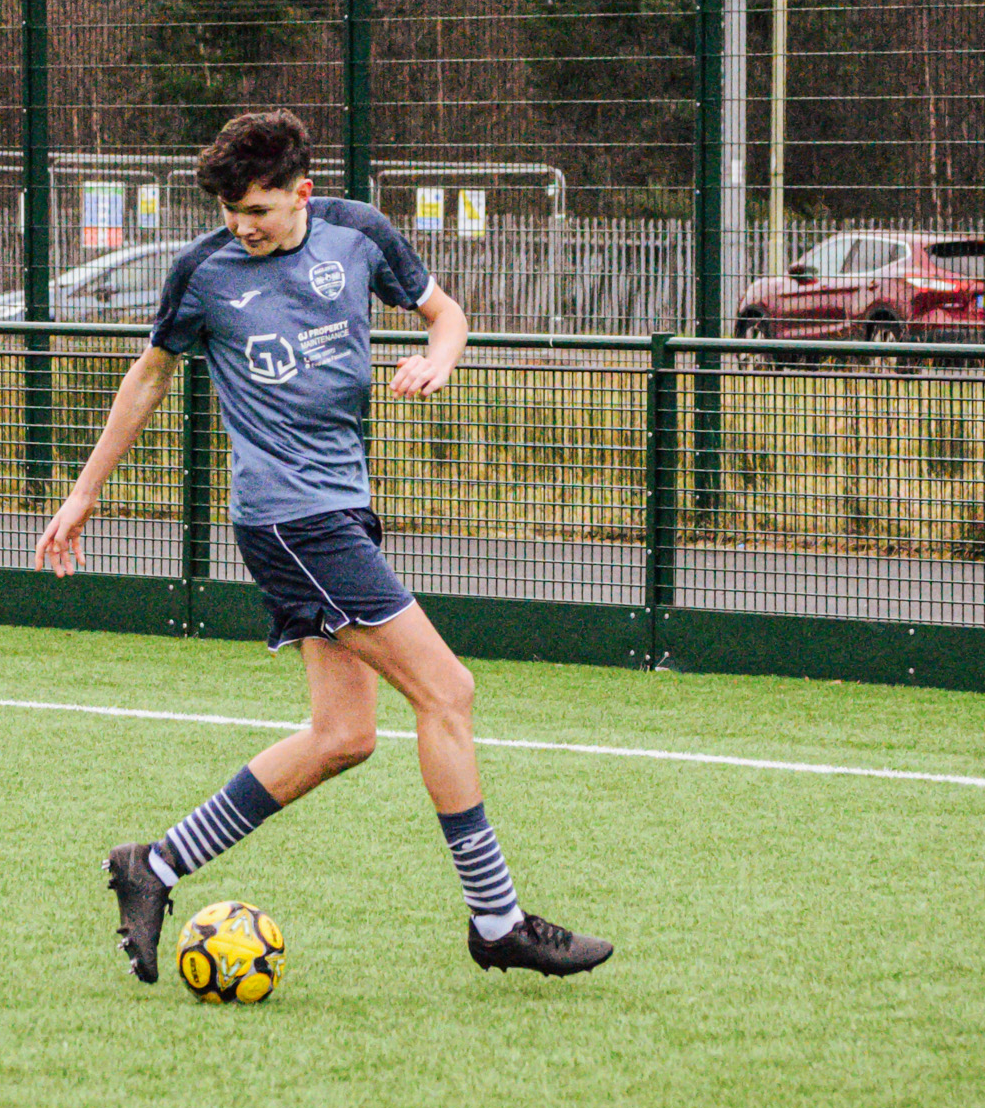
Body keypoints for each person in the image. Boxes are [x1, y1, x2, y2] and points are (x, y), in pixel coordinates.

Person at [36, 111, 612, 983]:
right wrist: (83, 493)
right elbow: (149, 375)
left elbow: (447, 313)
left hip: (340, 512)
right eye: (231, 210)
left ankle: (153, 864)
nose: (242, 225)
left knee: (344, 734)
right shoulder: (204, 272)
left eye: (259, 209)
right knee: (448, 690)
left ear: (302, 192)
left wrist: (441, 356)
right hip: (291, 520)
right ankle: (497, 921)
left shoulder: (358, 235)